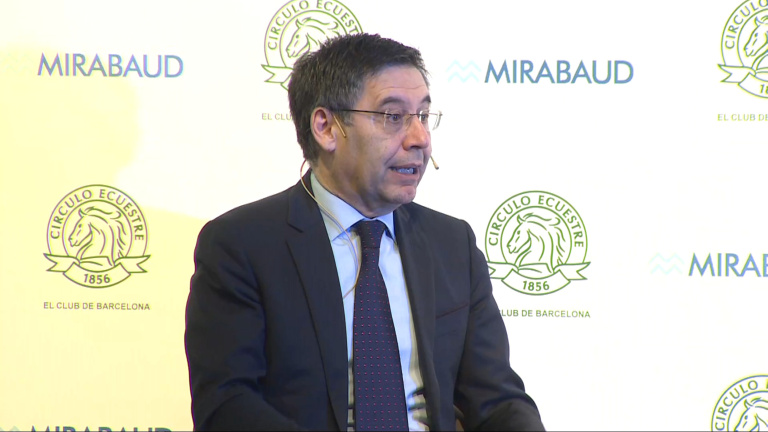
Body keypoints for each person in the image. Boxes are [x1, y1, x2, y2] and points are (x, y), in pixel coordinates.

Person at [185, 33, 544, 431]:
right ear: (326, 127)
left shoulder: (452, 244)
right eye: (393, 117)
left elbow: (498, 401)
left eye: (423, 116)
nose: (420, 139)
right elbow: (227, 407)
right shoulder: (242, 245)